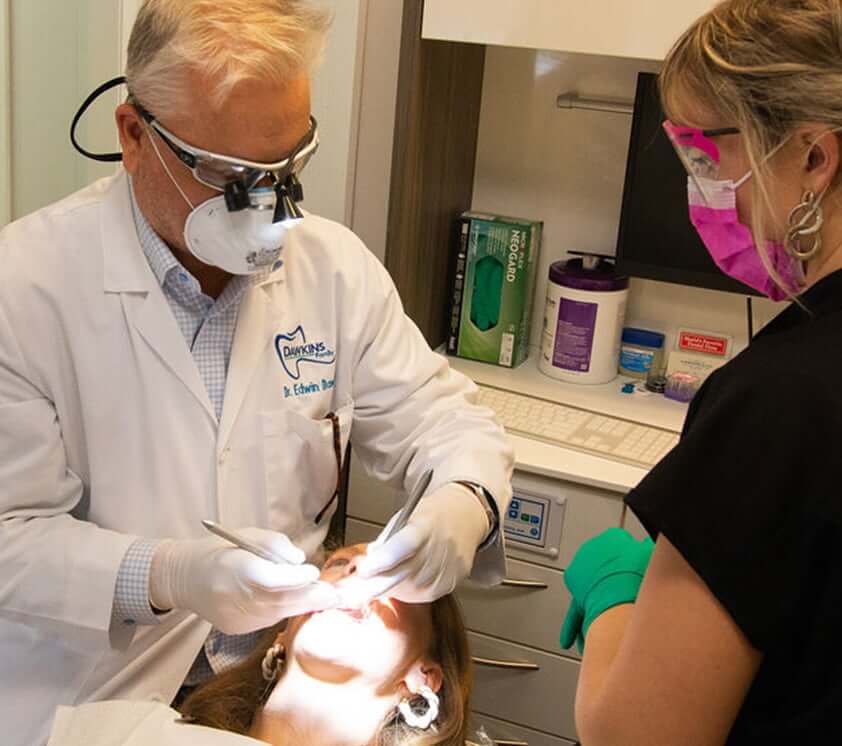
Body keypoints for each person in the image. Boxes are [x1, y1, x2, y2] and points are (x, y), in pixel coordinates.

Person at [0, 2, 513, 743]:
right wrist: (169, 574)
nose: (272, 205)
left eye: (289, 165)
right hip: (84, 695)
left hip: (259, 686)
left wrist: (462, 502)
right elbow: (9, 537)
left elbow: (445, 421)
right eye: (235, 175)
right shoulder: (24, 286)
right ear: (135, 136)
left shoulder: (333, 271)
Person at [559, 1, 842, 744]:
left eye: (705, 155)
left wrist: (617, 594)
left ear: (815, 156)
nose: (703, 194)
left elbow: (636, 737)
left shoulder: (782, 399)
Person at [45, 545, 472, 746]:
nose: (357, 569)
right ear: (282, 634)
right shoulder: (120, 733)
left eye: (392, 576)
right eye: (339, 564)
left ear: (425, 676)